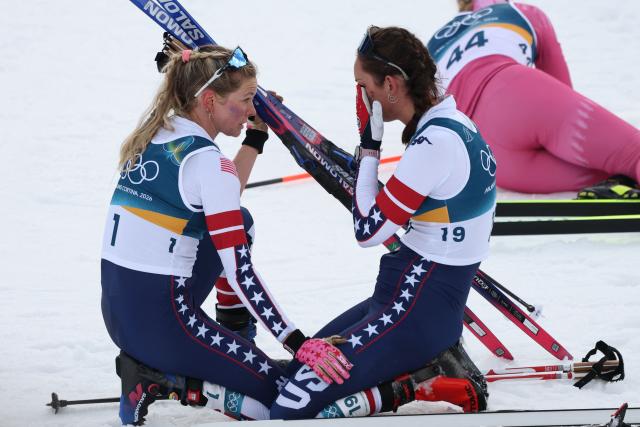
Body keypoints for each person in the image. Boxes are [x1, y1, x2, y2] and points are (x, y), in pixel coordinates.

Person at [100, 44, 352, 425]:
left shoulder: (159, 132)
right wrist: (299, 343)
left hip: (121, 315)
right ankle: (162, 380)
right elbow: (240, 272)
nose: (252, 110)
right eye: (247, 100)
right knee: (289, 400)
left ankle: (235, 343)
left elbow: (224, 204)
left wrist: (255, 138)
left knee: (241, 220)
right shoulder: (207, 162)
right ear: (209, 100)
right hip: (164, 325)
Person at [269, 25, 495, 420]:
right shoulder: (454, 124)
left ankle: (415, 380)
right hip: (403, 297)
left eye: (363, 86)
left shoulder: (434, 144)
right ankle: (416, 365)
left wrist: (370, 144)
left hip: (415, 310)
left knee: (292, 402)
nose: (360, 96)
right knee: (296, 371)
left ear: (390, 84)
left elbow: (368, 230)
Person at [428, 0, 640, 196]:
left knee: (605, 173)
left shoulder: (433, 44)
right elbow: (562, 89)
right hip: (517, 95)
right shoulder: (523, 13)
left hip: (490, 161)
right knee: (631, 156)